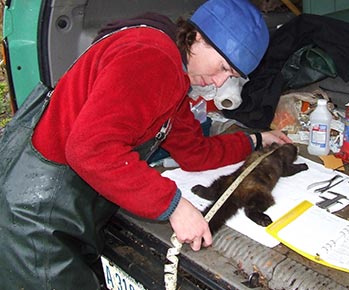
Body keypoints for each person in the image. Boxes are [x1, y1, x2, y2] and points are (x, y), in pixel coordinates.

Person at [0, 0, 292, 289]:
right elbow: (90, 148)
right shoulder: (152, 58)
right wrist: (174, 207)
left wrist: (255, 140)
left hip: (72, 210)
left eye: (230, 76)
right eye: (222, 67)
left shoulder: (174, 74)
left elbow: (195, 153)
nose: (218, 83)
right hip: (37, 222)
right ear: (199, 36)